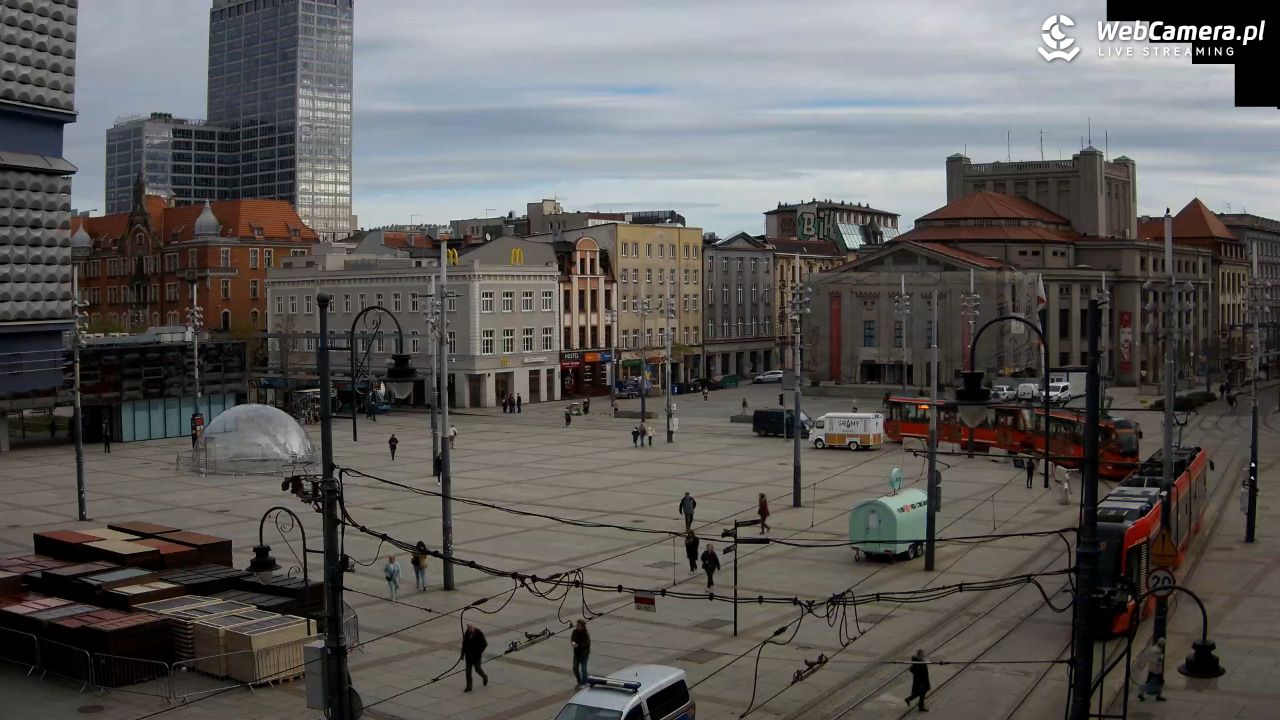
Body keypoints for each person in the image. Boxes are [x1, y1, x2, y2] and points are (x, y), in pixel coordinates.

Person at [462, 624, 489, 691]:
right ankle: (469, 687)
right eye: (468, 628)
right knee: (468, 673)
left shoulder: (479, 633)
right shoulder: (467, 633)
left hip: (476, 656)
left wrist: (480, 651)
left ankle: (484, 676)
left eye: (470, 628)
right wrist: (462, 654)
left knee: (478, 669)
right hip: (468, 656)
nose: (469, 629)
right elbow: (464, 644)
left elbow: (485, 643)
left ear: (473, 627)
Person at [570, 619, 591, 688]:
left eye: (579, 626)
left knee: (583, 668)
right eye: (577, 625)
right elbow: (572, 639)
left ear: (582, 626)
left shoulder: (585, 634)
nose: (577, 627)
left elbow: (587, 644)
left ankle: (584, 682)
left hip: (584, 654)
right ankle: (579, 681)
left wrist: (578, 646)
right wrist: (573, 642)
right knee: (575, 668)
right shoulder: (575, 632)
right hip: (576, 654)